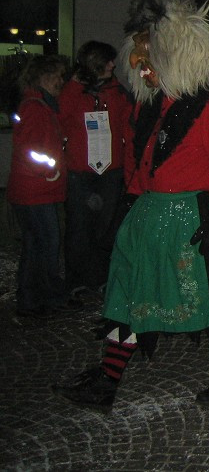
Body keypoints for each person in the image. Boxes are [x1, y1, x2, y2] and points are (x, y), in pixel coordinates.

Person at [51, 0, 209, 408]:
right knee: (128, 295)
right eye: (138, 56)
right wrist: (127, 208)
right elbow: (138, 162)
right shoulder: (149, 106)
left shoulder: (208, 106)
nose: (137, 65)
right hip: (148, 216)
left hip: (192, 217)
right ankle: (107, 380)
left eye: (147, 57)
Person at [58, 41, 132, 297]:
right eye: (108, 60)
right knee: (79, 228)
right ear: (95, 62)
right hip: (81, 172)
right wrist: (75, 87)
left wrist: (130, 169)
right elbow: (60, 121)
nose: (113, 65)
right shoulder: (73, 91)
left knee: (105, 228)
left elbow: (128, 130)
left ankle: (99, 277)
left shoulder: (117, 92)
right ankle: (76, 281)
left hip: (110, 172)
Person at [7, 54, 70, 318]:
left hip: (32, 190)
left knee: (35, 247)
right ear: (44, 77)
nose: (61, 81)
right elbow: (30, 149)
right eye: (58, 76)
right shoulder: (36, 106)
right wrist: (50, 171)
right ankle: (46, 298)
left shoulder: (39, 105)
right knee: (46, 245)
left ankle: (31, 300)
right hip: (35, 191)